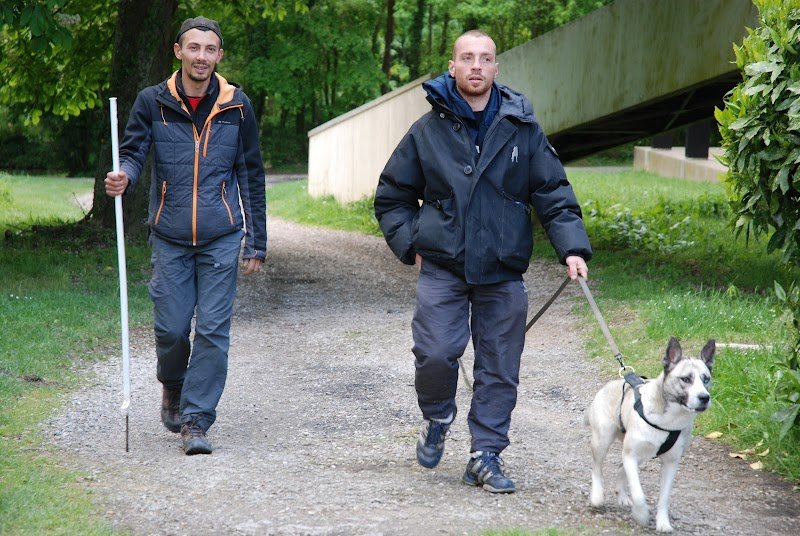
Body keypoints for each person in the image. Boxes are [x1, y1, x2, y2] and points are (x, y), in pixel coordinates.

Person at [374, 29, 591, 493]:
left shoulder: (522, 128)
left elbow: (553, 192)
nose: (476, 65)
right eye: (467, 57)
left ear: (496, 68)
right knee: (435, 352)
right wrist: (412, 242)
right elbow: (392, 195)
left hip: (502, 269)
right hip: (443, 266)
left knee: (499, 366)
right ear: (452, 66)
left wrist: (572, 248)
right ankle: (437, 418)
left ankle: (485, 455)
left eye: (485, 58)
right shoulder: (427, 131)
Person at [105, 16, 267, 455]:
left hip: (221, 236)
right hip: (170, 235)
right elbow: (133, 152)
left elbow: (251, 174)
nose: (201, 56)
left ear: (219, 55)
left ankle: (196, 420)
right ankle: (173, 384)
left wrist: (256, 243)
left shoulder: (237, 106)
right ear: (178, 51)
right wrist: (124, 176)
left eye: (210, 49)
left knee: (213, 330)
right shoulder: (153, 101)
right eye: (193, 47)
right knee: (172, 330)